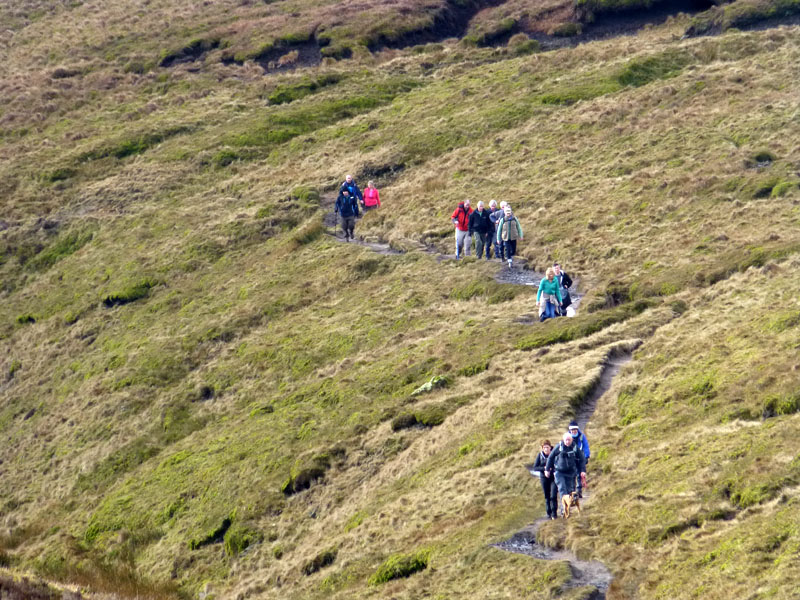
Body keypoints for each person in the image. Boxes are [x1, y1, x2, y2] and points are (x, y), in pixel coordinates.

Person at [544, 432, 586, 515]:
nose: (567, 442)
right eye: (566, 440)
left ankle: (568, 508)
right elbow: (550, 457)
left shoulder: (575, 448)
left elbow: (582, 458)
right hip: (559, 472)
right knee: (562, 489)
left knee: (570, 491)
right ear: (563, 440)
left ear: (572, 440)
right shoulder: (559, 447)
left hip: (571, 473)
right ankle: (564, 510)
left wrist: (583, 470)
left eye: (569, 440)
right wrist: (547, 469)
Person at [532, 439, 558, 520]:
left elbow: (559, 464)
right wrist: (544, 468)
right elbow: (535, 467)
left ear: (550, 447)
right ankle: (548, 512)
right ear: (542, 448)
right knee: (547, 496)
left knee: (553, 495)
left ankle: (554, 513)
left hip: (553, 477)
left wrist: (552, 469)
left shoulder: (555, 454)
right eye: (544, 448)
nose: (546, 449)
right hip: (544, 478)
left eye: (547, 447)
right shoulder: (540, 455)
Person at [567, 421, 590, 498]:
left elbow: (586, 446)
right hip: (571, 459)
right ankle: (573, 491)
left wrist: (586, 456)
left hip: (580, 458)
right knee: (573, 475)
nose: (574, 431)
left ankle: (579, 490)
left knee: (580, 474)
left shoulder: (582, 437)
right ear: (570, 430)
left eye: (575, 429)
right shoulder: (567, 438)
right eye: (572, 430)